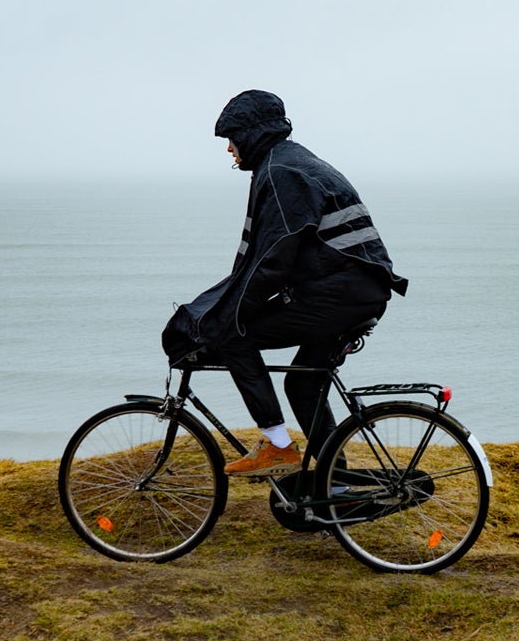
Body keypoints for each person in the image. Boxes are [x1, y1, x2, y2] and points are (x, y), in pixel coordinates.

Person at [162, 90, 408, 476]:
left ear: (251, 134)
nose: (229, 149)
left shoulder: (280, 173)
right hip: (357, 290)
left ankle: (277, 445)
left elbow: (272, 260)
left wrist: (229, 315)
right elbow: (270, 258)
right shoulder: (290, 162)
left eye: (232, 138)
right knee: (302, 384)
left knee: (233, 336)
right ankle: (334, 484)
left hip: (337, 294)